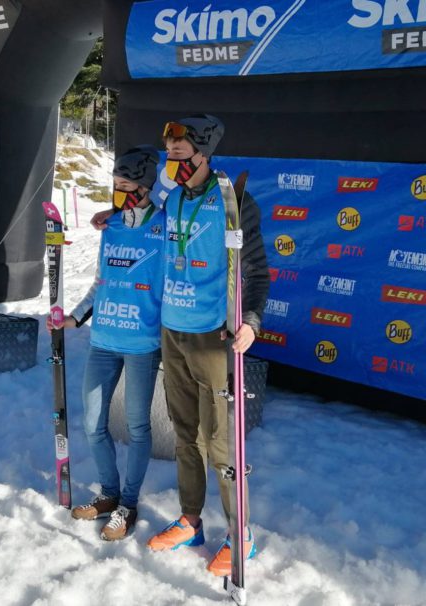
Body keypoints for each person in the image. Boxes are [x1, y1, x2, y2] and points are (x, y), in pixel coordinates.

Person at [144, 115, 270, 577]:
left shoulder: (233, 202)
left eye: (180, 156)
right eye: (169, 156)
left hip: (213, 336)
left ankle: (242, 535)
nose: (173, 164)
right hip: (172, 331)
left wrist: (252, 321)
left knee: (218, 441)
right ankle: (191, 521)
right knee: (183, 433)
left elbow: (256, 269)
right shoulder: (174, 197)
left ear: (203, 154)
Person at [47, 145, 164, 541]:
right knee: (93, 424)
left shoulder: (164, 228)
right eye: (114, 184)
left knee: (135, 427)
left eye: (125, 185)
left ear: (145, 188)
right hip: (104, 340)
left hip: (141, 344)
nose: (117, 191)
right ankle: (109, 494)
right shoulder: (111, 227)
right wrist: (75, 315)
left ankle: (129, 504)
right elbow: (101, 282)